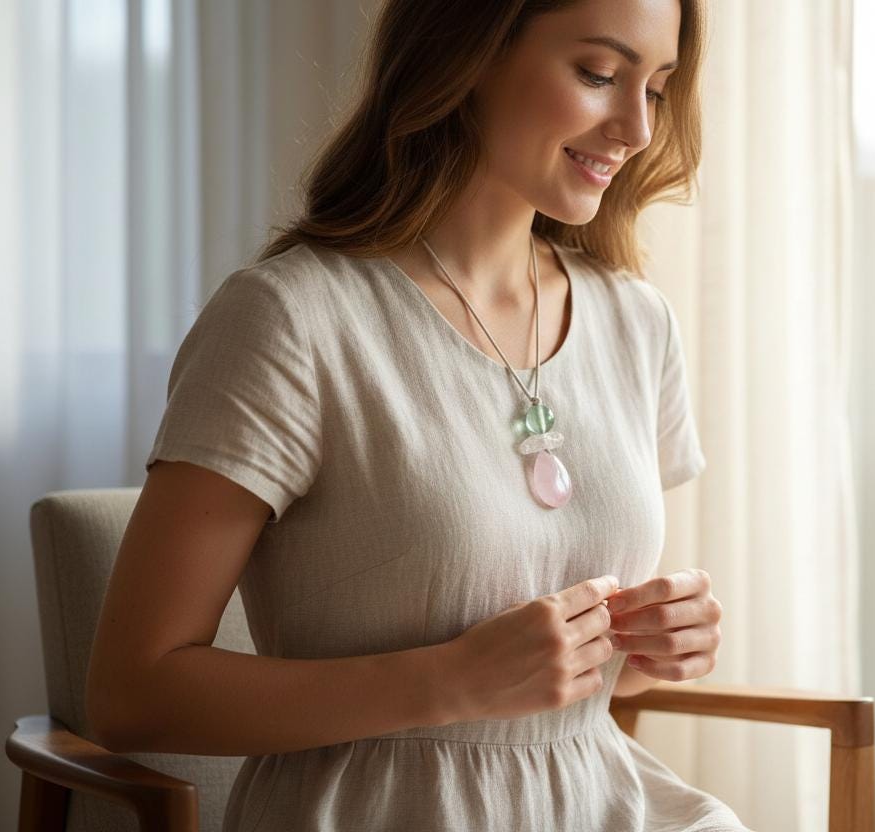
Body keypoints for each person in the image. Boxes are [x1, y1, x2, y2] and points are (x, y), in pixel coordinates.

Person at [86, 0, 748, 829]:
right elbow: (130, 693)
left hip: (600, 800)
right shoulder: (293, 320)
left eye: (655, 89)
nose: (636, 129)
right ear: (465, 53)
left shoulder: (637, 322)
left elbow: (588, 675)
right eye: (599, 75)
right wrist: (449, 681)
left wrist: (656, 647)